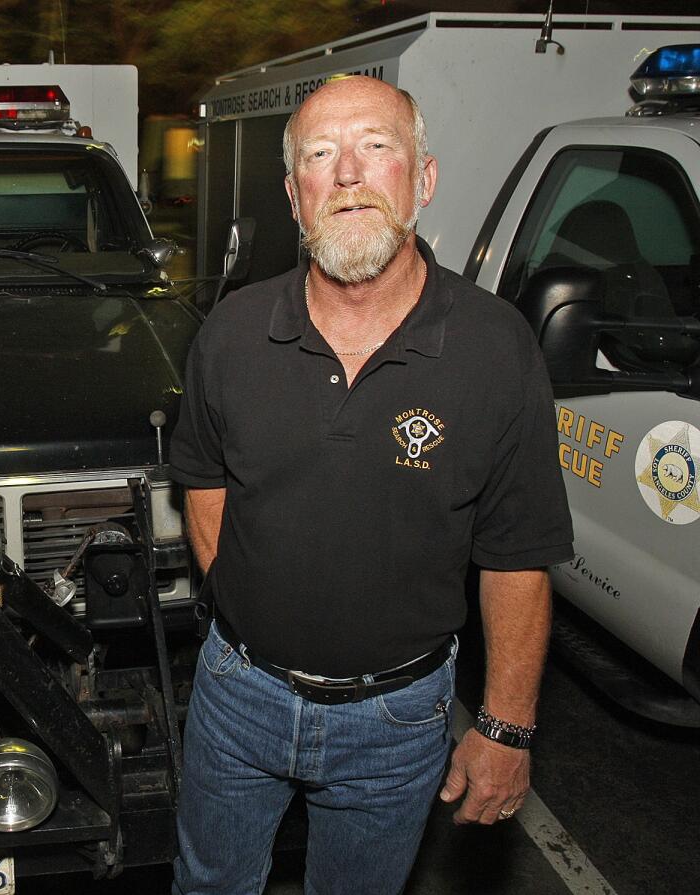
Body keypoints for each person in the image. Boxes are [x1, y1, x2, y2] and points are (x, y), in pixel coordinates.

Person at [169, 75, 574, 895]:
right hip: (236, 697)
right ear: (295, 196)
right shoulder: (233, 334)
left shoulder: (496, 348)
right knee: (208, 884)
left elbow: (518, 556)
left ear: (422, 179)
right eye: (321, 155)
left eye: (376, 147)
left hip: (397, 719)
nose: (348, 173)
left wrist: (505, 727)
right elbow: (204, 486)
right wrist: (248, 615)